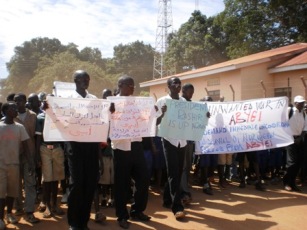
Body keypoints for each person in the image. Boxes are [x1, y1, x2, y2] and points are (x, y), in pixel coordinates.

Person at [111, 75, 151, 229]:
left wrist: (153, 114)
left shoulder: (137, 103)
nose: (133, 88)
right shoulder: (112, 103)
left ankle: (137, 210)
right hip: (121, 148)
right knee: (121, 184)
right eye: (130, 85)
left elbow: (145, 121)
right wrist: (111, 113)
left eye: (134, 85)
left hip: (136, 145)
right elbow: (105, 122)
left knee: (144, 178)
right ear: (120, 85)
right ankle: (122, 216)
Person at [66, 70, 104, 230]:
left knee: (90, 184)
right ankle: (74, 223)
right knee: (77, 184)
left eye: (87, 79)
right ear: (75, 80)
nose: (86, 81)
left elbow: (101, 120)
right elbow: (57, 118)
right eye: (82, 79)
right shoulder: (66, 100)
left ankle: (84, 221)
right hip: (75, 147)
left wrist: (110, 112)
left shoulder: (94, 100)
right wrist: (49, 108)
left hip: (91, 146)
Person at [156, 76, 187, 220]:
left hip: (182, 141)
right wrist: (162, 113)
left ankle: (167, 200)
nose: (178, 85)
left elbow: (190, 119)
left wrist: (203, 117)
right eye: (175, 83)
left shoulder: (184, 102)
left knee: (178, 172)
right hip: (169, 140)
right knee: (173, 172)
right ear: (168, 86)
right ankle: (177, 206)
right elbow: (155, 122)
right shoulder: (162, 101)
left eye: (179, 83)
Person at [0, 102, 34, 229]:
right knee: (1, 193)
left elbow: (26, 146)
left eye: (16, 108)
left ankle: (9, 213)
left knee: (12, 192)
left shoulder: (19, 127)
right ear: (5, 111)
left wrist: (31, 163)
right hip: (1, 165)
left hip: (14, 164)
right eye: (12, 108)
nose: (16, 110)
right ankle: (0, 218)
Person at [35, 97, 65, 218]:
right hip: (45, 148)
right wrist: (37, 154)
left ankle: (54, 204)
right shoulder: (40, 118)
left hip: (57, 148)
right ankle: (47, 205)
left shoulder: (59, 118)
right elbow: (37, 137)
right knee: (47, 179)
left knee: (56, 178)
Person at [13, 93, 40, 223]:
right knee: (16, 183)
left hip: (30, 154)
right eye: (15, 101)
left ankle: (29, 211)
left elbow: (36, 137)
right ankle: (18, 207)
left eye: (19, 101)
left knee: (30, 182)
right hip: (15, 155)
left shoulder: (33, 116)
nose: (17, 103)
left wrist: (35, 157)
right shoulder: (11, 116)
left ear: (25, 102)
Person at [283, 95, 305, 192]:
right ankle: (286, 182)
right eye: (300, 103)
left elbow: (305, 128)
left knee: (298, 163)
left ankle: (292, 183)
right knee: (292, 163)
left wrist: (300, 137)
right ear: (295, 103)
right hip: (290, 139)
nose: (302, 104)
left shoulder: (304, 114)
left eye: (303, 102)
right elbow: (281, 122)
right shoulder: (289, 110)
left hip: (299, 140)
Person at [180, 83, 194, 204]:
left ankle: (185, 188)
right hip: (180, 141)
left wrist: (204, 117)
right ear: (183, 91)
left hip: (189, 140)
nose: (191, 95)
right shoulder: (179, 103)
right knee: (183, 167)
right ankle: (183, 192)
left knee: (188, 166)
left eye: (192, 92)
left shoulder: (192, 105)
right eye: (190, 92)